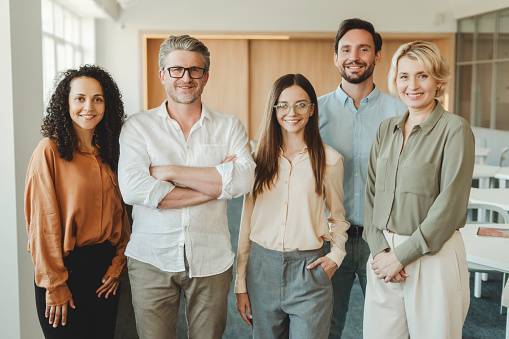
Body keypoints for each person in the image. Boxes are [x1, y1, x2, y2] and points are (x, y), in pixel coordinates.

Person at [118, 34, 255, 339]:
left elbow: (244, 180)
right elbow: (134, 190)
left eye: (195, 70)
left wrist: (169, 172)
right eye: (176, 70)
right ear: (162, 75)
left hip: (211, 258)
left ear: (205, 76)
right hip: (151, 256)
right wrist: (217, 184)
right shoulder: (138, 127)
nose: (186, 78)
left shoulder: (229, 126)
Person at [363, 41, 474, 339]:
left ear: (438, 80)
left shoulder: (455, 129)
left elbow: (450, 205)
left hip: (431, 255)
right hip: (383, 258)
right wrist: (382, 252)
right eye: (404, 76)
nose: (412, 85)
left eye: (422, 75)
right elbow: (371, 194)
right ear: (395, 80)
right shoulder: (386, 129)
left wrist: (402, 256)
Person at [235, 74, 350, 339]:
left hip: (309, 271)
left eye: (301, 104)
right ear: (273, 110)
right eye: (283, 105)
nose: (292, 112)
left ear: (312, 109)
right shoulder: (256, 161)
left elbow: (338, 218)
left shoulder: (330, 160)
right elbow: (245, 224)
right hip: (262, 268)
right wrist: (240, 283)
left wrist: (336, 255)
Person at [25, 64, 131, 339]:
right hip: (65, 272)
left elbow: (123, 214)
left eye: (98, 99)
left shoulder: (110, 152)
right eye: (80, 98)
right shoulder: (49, 151)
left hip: (105, 272)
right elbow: (42, 226)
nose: (89, 107)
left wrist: (118, 263)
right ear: (66, 103)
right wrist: (54, 284)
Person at [318, 18, 407, 337]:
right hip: (330, 240)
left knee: (390, 327)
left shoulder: (400, 113)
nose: (354, 56)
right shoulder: (314, 113)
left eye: (363, 49)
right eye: (346, 49)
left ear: (378, 56)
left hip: (383, 241)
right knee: (325, 326)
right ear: (336, 57)